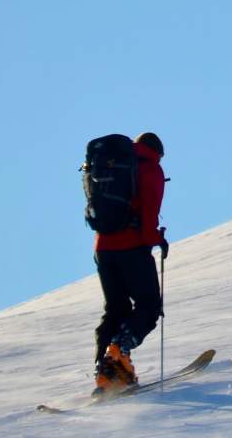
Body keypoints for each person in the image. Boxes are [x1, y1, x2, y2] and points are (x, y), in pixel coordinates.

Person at [93, 132, 168, 392]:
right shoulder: (150, 169)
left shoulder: (110, 163)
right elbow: (148, 219)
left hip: (103, 248)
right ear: (158, 152)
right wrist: (158, 239)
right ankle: (119, 351)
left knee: (116, 309)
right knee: (149, 306)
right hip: (132, 247)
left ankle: (105, 373)